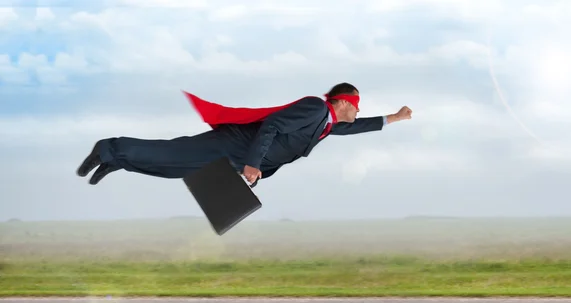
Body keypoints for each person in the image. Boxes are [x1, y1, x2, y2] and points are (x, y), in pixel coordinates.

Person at [76, 82, 412, 185]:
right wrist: (254, 164)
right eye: (355, 106)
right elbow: (272, 126)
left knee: (175, 171)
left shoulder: (326, 124)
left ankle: (118, 161)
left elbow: (358, 125)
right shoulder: (314, 108)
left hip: (239, 159)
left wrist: (393, 119)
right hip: (235, 147)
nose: (357, 112)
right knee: (172, 156)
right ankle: (108, 148)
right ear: (342, 101)